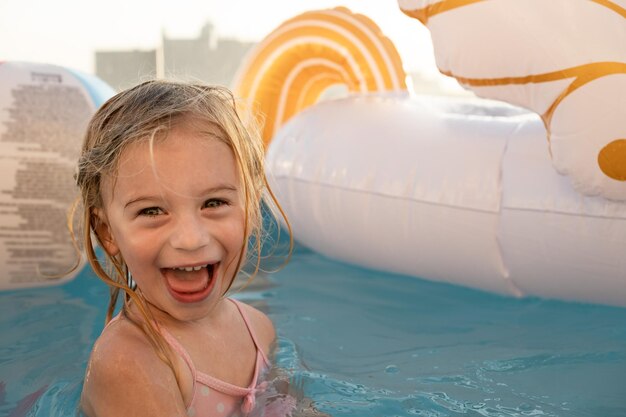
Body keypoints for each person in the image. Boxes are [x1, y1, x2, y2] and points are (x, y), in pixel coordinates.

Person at [71, 80, 293, 417]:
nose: (191, 239)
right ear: (108, 232)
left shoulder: (258, 328)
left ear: (248, 208)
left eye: (214, 202)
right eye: (152, 211)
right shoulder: (131, 361)